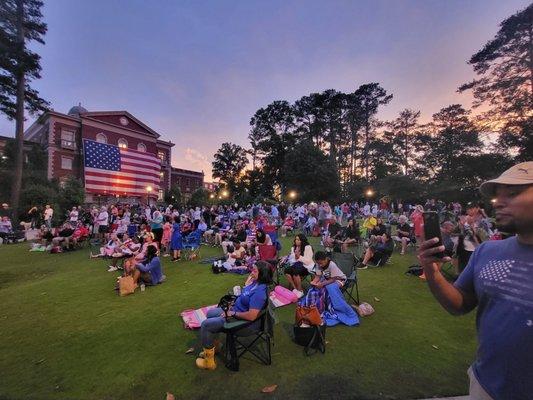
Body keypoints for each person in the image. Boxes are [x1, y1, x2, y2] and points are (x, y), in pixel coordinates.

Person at [417, 162, 533, 400]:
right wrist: (433, 273)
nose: (498, 202)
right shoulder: (488, 252)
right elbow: (459, 304)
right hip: (485, 387)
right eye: (497, 196)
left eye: (512, 193)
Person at [196, 261, 272, 370]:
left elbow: (251, 316)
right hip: (235, 312)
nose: (251, 272)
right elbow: (245, 296)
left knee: (206, 325)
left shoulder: (259, 293)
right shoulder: (255, 283)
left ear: (262, 274)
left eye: (255, 271)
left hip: (245, 325)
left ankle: (209, 362)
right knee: (210, 313)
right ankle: (215, 347)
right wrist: (246, 286)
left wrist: (232, 313)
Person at [284, 234, 314, 298]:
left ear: (302, 241)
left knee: (295, 271)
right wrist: (294, 256)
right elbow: (292, 260)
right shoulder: (294, 247)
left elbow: (308, 261)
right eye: (296, 239)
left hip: (306, 266)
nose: (296, 241)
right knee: (286, 270)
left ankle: (300, 290)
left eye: (298, 240)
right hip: (296, 264)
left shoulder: (308, 247)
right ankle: (295, 289)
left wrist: (298, 256)